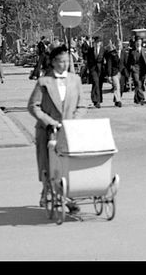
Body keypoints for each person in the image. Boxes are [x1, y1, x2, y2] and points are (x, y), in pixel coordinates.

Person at [26, 43, 82, 213]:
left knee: (68, 165)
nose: (64, 65)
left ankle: (69, 197)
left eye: (67, 61)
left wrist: (74, 120)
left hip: (69, 130)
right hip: (48, 130)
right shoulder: (44, 82)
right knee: (49, 166)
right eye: (60, 61)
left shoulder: (75, 80)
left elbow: (83, 105)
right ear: (52, 62)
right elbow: (33, 106)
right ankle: (47, 191)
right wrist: (49, 121)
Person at [123, 38, 146, 105]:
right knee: (137, 82)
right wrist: (130, 68)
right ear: (135, 43)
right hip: (135, 69)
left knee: (140, 84)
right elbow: (128, 61)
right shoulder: (132, 51)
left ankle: (136, 98)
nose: (138, 43)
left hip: (143, 69)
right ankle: (142, 98)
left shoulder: (145, 50)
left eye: (140, 41)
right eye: (137, 42)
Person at [84, 35, 107, 109]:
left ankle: (97, 99)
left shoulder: (103, 50)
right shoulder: (91, 50)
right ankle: (96, 101)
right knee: (96, 82)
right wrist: (88, 68)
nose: (97, 43)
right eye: (96, 42)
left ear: (100, 43)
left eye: (99, 42)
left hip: (100, 69)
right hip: (93, 68)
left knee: (99, 84)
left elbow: (107, 58)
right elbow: (88, 60)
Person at [103, 40, 123, 108]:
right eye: (117, 45)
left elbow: (126, 63)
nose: (119, 46)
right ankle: (119, 100)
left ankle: (116, 100)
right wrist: (109, 75)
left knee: (121, 88)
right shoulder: (111, 54)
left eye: (120, 45)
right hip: (114, 72)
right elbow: (109, 64)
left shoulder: (124, 53)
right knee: (117, 86)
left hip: (122, 72)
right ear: (115, 46)